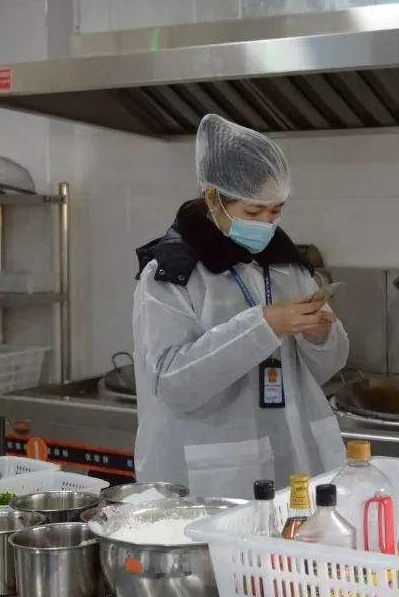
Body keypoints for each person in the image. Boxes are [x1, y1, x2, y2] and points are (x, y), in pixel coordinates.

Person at [133, 113, 348, 499]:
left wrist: (321, 336)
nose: (266, 224)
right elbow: (173, 383)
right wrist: (263, 325)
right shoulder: (171, 273)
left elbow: (325, 368)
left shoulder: (286, 265)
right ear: (212, 198)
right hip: (211, 476)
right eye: (253, 212)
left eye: (276, 210)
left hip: (297, 464)